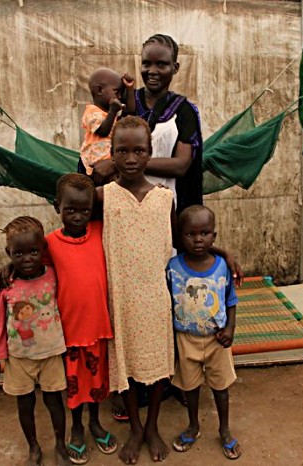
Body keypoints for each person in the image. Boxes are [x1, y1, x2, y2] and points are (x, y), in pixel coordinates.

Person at [95, 116, 175, 464]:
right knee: (125, 366)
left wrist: (223, 253)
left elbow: (182, 245)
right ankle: (136, 427)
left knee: (158, 365)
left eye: (138, 150)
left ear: (149, 152)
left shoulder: (165, 199)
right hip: (121, 298)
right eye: (122, 150)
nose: (130, 158)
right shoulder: (103, 197)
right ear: (110, 153)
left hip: (156, 297)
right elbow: (70, 219)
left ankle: (153, 425)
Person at [45, 173, 117, 464]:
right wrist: (6, 270)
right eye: (70, 210)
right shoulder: (48, 243)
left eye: (84, 210)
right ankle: (77, 428)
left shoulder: (101, 232)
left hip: (98, 328)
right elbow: (28, 267)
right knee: (74, 386)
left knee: (97, 382)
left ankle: (95, 423)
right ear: (57, 207)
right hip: (70, 331)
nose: (77, 216)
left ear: (92, 210)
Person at [0, 216, 69, 466]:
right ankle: (33, 446)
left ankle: (60, 445)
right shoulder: (6, 284)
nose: (27, 259)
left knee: (54, 401)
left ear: (43, 249)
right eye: (18, 253)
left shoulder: (55, 276)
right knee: (25, 404)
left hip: (52, 354)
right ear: (8, 253)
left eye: (33, 251)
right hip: (19, 359)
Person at [91, 33, 203, 215]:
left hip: (165, 208)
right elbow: (98, 141)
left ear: (175, 68)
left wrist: (118, 164)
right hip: (122, 206)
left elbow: (181, 165)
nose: (152, 71)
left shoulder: (184, 111)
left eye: (161, 64)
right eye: (146, 63)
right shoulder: (123, 102)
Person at [166, 205, 242, 460]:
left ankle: (224, 429)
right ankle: (193, 425)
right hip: (186, 340)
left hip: (217, 341)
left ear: (214, 236)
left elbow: (231, 301)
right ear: (180, 236)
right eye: (190, 234)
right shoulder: (173, 267)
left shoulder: (222, 266)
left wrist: (230, 329)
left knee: (220, 387)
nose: (198, 239)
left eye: (205, 233)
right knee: (190, 387)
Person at [79, 67, 135, 180]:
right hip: (93, 165)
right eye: (116, 92)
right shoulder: (91, 112)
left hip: (109, 163)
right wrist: (113, 111)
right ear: (99, 90)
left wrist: (129, 89)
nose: (119, 97)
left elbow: (131, 111)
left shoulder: (111, 114)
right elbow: (103, 131)